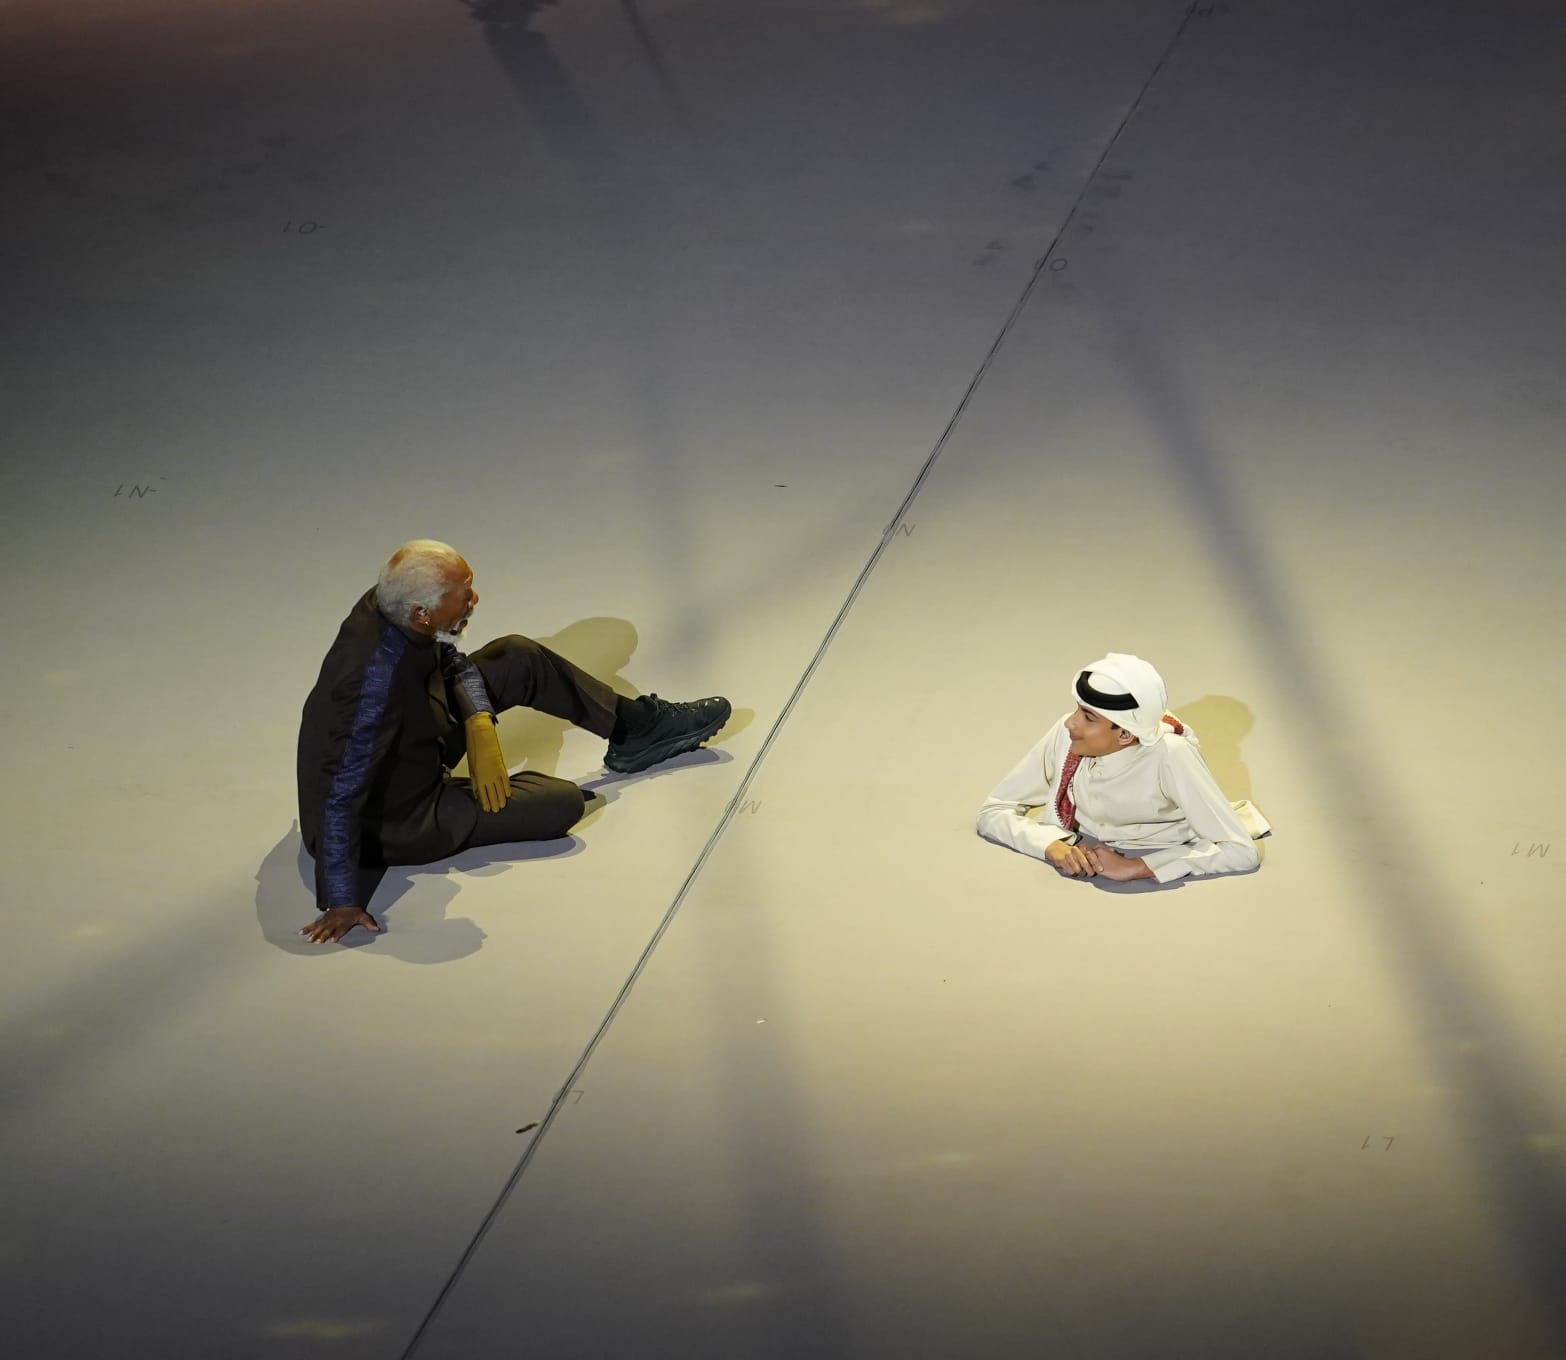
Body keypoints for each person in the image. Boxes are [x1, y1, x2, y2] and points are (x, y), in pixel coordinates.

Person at [296, 539, 731, 943]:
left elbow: (447, 655)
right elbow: (339, 794)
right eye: (463, 593)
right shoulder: (371, 685)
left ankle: (635, 729)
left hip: (415, 734)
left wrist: (479, 722)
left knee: (518, 656)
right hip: (398, 818)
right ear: (423, 613)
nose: (474, 598)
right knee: (562, 803)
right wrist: (342, 901)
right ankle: (478, 803)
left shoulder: (395, 605)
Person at [976, 653, 1261, 883]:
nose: (1070, 723)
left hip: (1162, 845)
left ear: (1125, 734)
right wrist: (1051, 846)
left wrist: (1137, 867)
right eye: (1077, 710)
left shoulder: (1171, 755)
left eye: (1088, 717)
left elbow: (1240, 851)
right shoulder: (1066, 735)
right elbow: (994, 810)